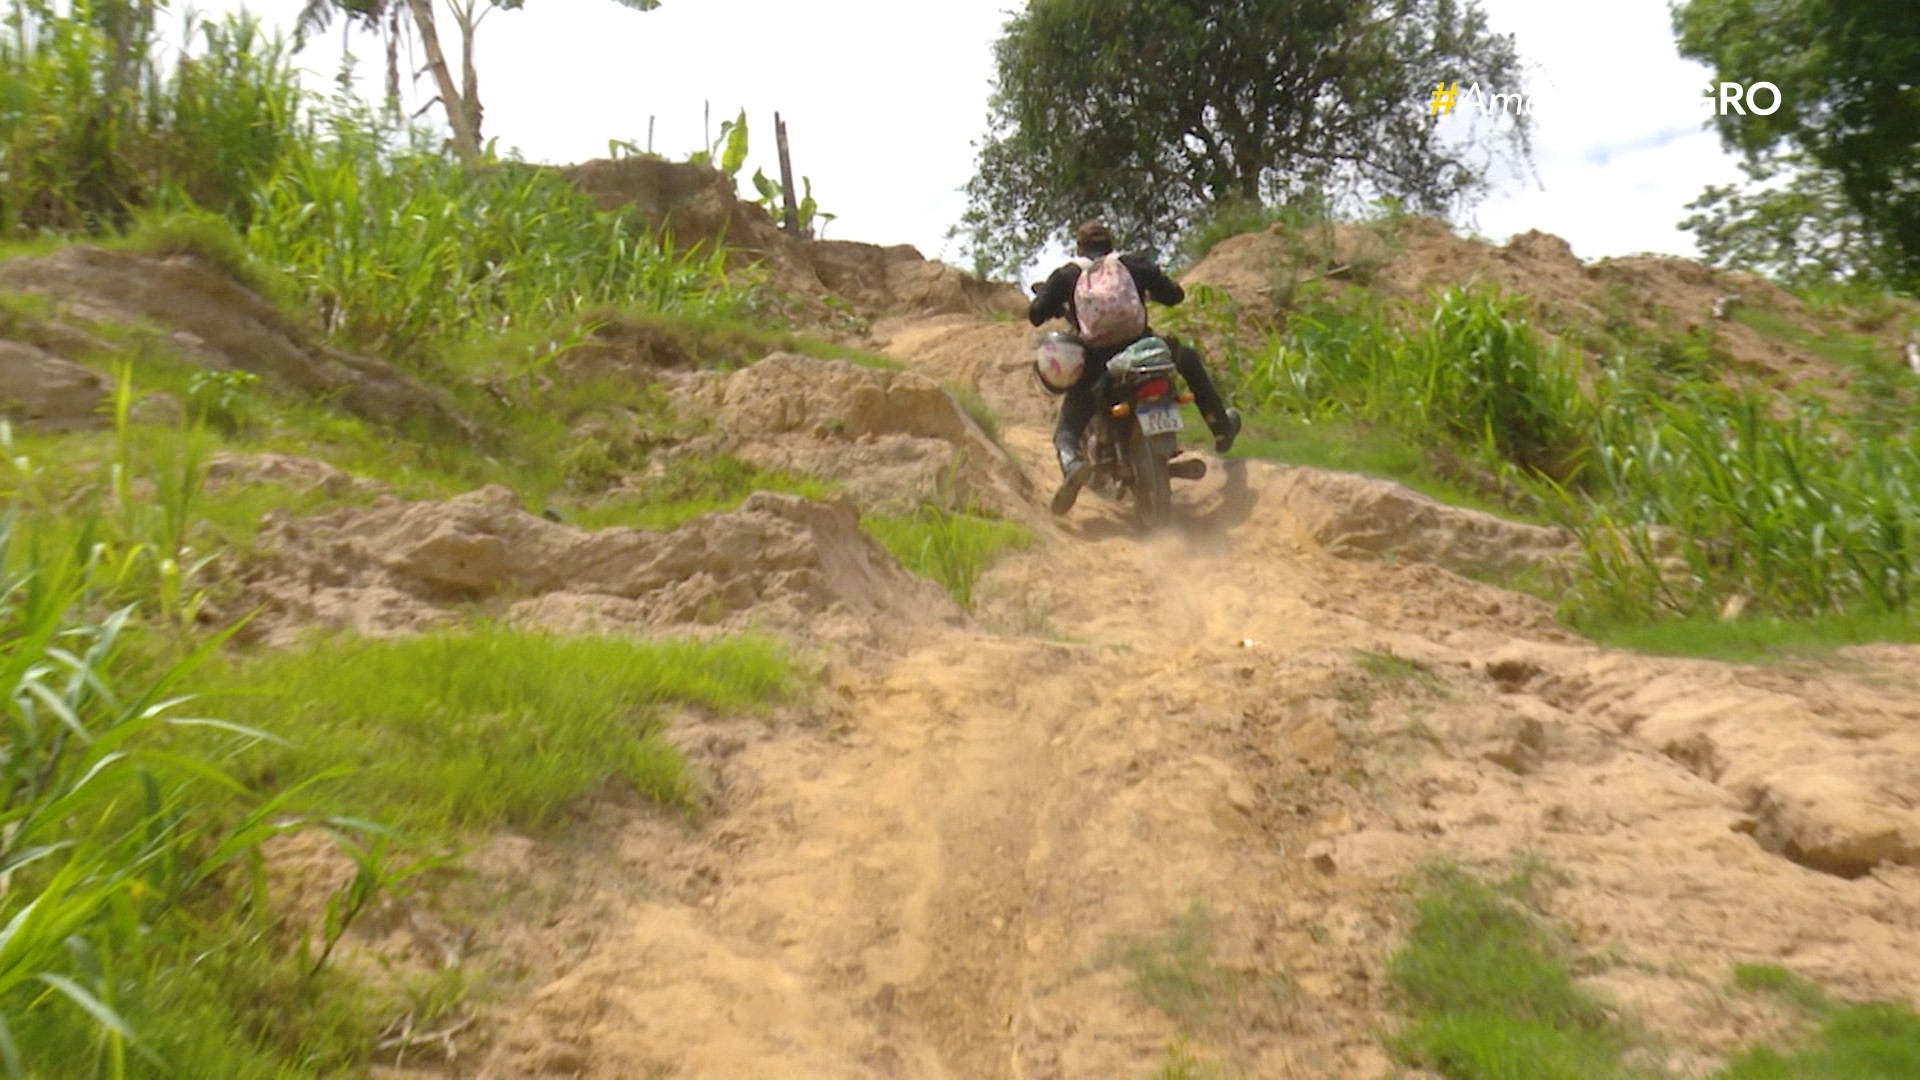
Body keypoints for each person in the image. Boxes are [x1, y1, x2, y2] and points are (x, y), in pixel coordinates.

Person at [1028, 219, 1241, 514]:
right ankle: (1221, 428)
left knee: (1068, 424)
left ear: (1079, 247)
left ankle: (1072, 463)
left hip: (1099, 364)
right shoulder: (1131, 264)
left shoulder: (1069, 274)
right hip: (1145, 351)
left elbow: (1035, 314)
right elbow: (1174, 296)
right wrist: (1155, 288)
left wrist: (1052, 302)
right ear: (1111, 245)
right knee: (1188, 359)